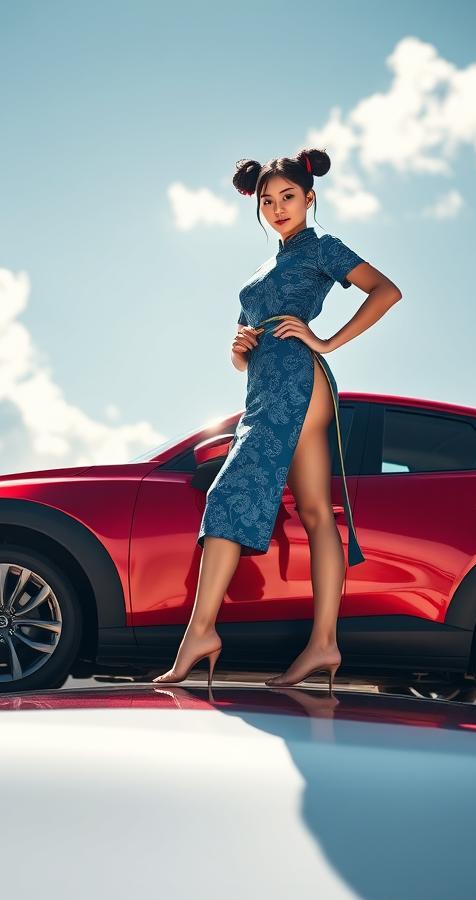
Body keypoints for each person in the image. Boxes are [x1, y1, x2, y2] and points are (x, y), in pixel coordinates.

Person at [153, 147, 402, 694]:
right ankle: (324, 645)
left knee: (228, 496)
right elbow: (242, 354)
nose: (278, 207)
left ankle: (199, 634)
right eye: (268, 201)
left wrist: (327, 341)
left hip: (296, 381)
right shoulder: (264, 269)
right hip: (269, 383)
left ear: (310, 198)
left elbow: (386, 291)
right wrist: (238, 349)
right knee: (315, 512)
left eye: (288, 197)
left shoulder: (322, 248)